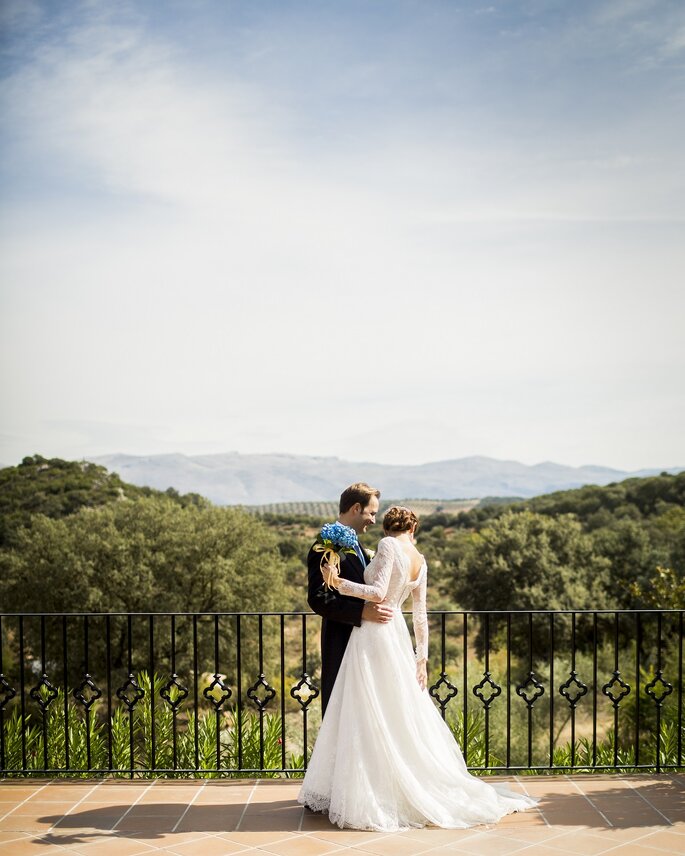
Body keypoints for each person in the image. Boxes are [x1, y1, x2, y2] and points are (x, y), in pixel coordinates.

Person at [298, 505, 538, 832]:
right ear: (414, 529)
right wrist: (421, 659)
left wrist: (337, 582)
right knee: (394, 709)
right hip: (397, 634)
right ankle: (387, 782)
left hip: (374, 633)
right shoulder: (420, 560)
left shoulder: (387, 545)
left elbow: (378, 593)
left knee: (367, 708)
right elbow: (421, 616)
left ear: (389, 527)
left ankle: (370, 788)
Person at [307, 482, 393, 716]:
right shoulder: (325, 546)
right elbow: (318, 598)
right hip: (341, 641)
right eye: (372, 513)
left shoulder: (357, 544)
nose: (374, 520)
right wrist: (361, 613)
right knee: (343, 711)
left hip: (365, 644)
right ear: (356, 508)